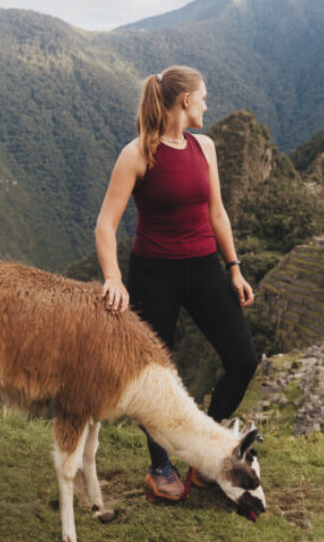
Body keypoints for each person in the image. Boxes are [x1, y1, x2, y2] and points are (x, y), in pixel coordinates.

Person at [94, 65, 258, 503]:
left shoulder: (205, 147)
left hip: (205, 267)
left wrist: (234, 268)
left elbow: (217, 213)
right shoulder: (137, 154)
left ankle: (204, 453)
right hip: (154, 274)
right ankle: (160, 467)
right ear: (184, 101)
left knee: (243, 359)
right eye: (203, 97)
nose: (206, 104)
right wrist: (114, 278)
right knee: (157, 378)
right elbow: (106, 225)